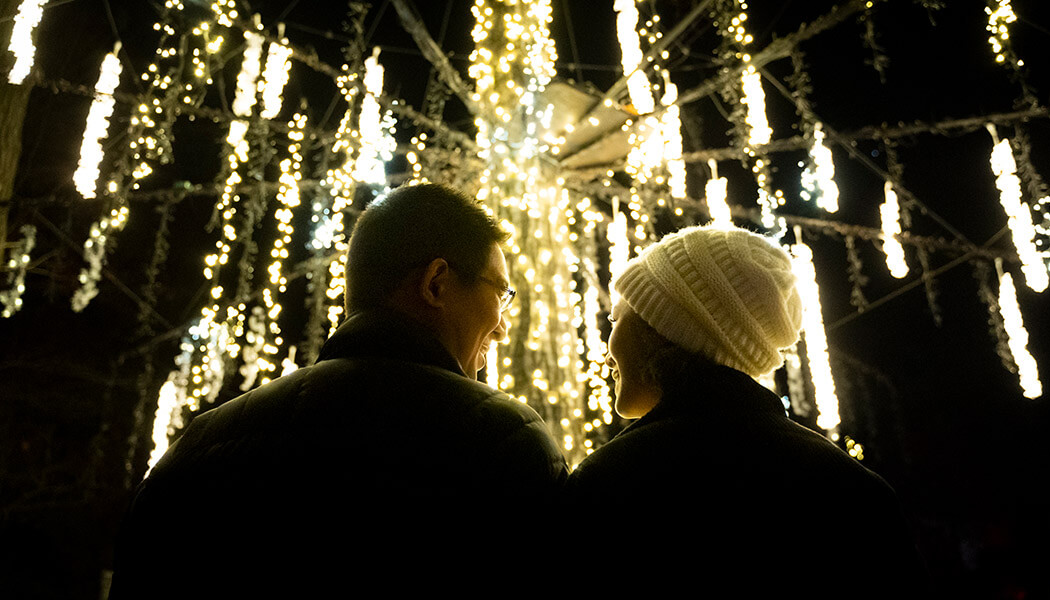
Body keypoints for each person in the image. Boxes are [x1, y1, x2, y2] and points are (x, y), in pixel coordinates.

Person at [110, 184, 568, 597]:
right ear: (436, 283)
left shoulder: (199, 447)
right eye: (500, 293)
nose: (503, 328)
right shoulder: (505, 445)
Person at [565, 225, 926, 593]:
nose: (606, 349)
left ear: (659, 330)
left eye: (615, 320)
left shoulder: (611, 482)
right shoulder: (856, 491)